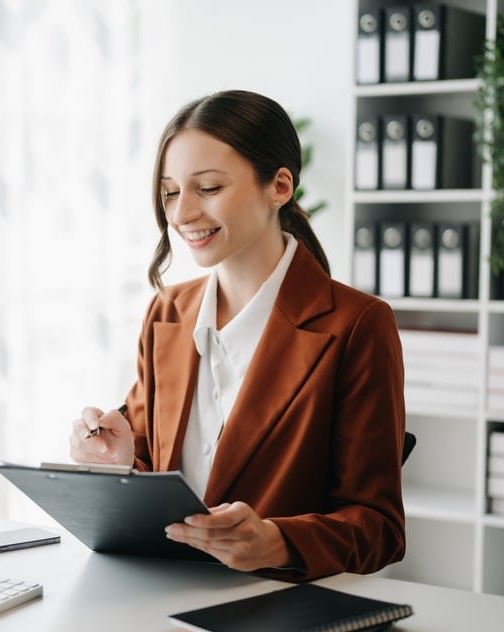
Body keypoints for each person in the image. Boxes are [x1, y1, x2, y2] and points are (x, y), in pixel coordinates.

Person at [68, 90, 405, 582]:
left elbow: (381, 528)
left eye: (207, 188)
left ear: (280, 186)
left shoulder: (357, 324)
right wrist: (118, 464)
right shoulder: (167, 312)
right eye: (170, 192)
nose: (182, 214)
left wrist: (278, 541)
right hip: (159, 597)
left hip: (278, 613)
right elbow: (151, 467)